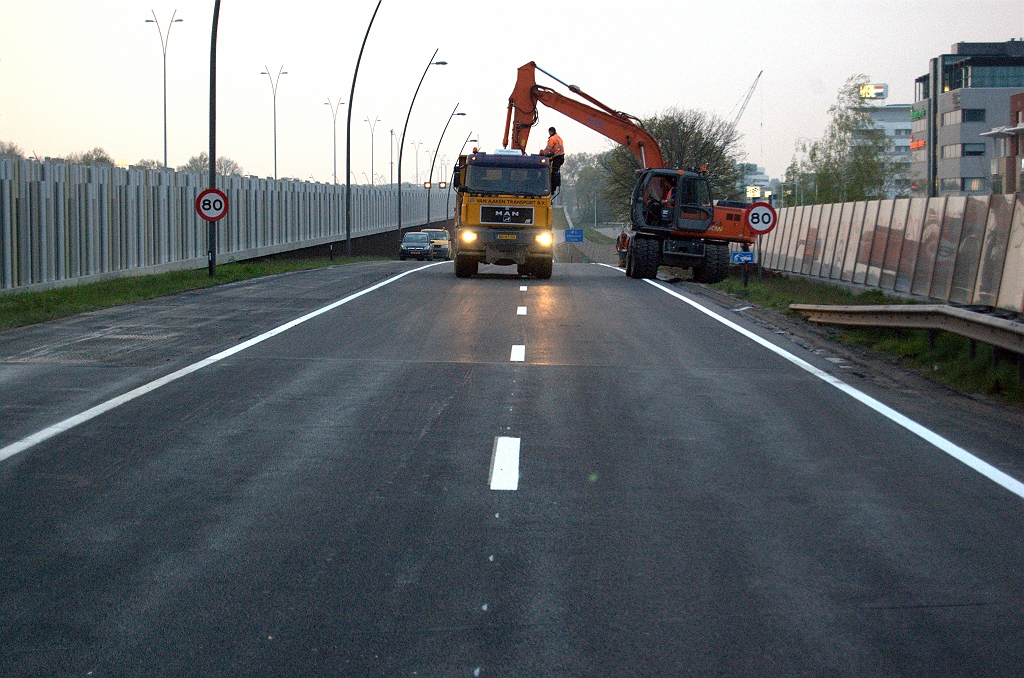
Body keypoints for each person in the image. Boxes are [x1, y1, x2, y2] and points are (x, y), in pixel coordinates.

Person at [540, 126, 565, 191]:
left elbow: (548, 148)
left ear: (550, 131)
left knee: (553, 172)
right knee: (555, 172)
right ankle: (553, 187)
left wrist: (542, 154)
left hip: (557, 157)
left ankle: (552, 187)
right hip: (560, 157)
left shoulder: (552, 139)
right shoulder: (558, 137)